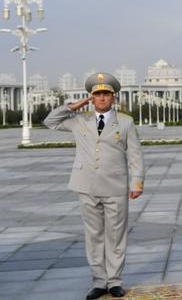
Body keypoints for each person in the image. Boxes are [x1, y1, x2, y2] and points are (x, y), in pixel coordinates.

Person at [43, 73, 144, 299]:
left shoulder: (125, 122)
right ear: (91, 97)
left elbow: (136, 155)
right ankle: (99, 281)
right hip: (86, 185)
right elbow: (50, 122)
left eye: (106, 94)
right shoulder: (80, 120)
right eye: (97, 94)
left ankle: (115, 280)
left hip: (115, 186)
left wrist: (136, 182)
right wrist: (75, 105)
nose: (101, 98)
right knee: (94, 235)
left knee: (116, 235)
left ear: (113, 97)